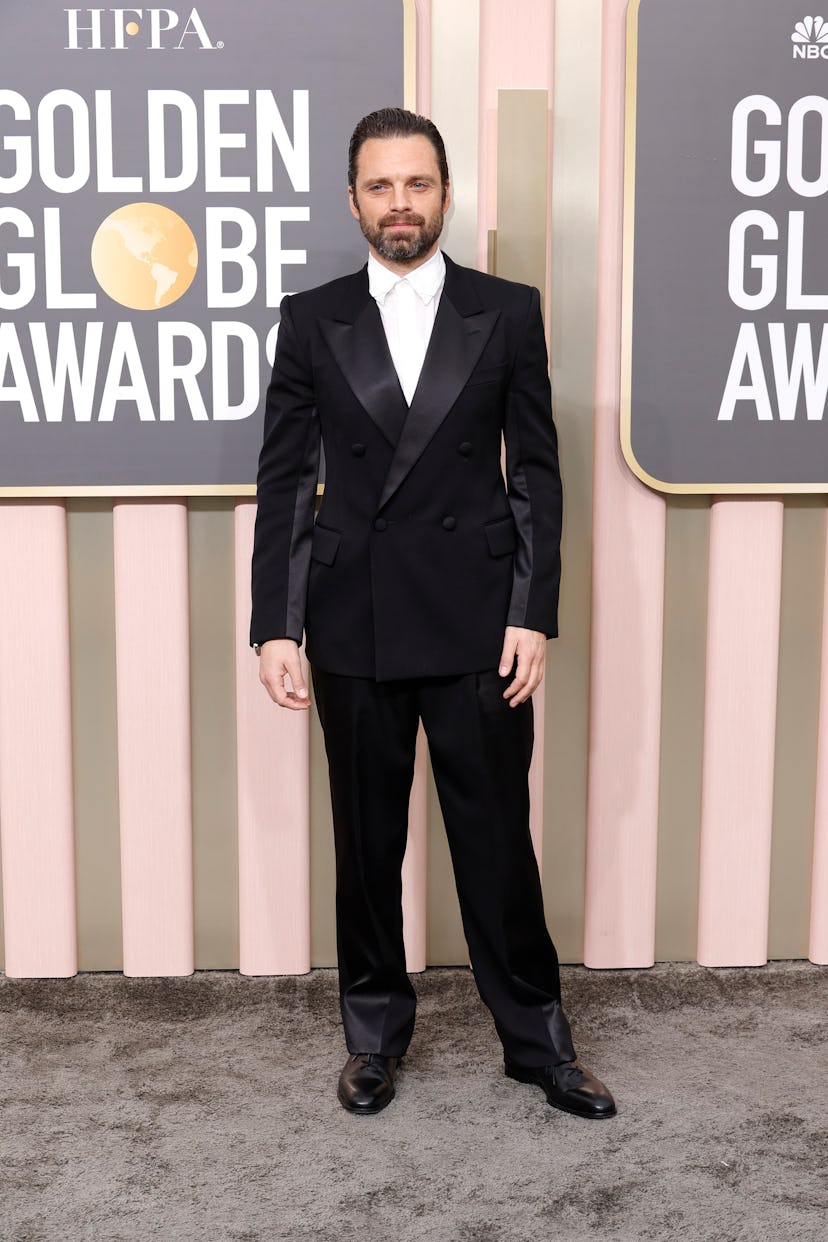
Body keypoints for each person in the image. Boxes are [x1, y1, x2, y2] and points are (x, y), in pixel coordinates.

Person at [250, 107, 615, 1121]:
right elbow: (284, 482)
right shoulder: (311, 317)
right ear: (353, 197)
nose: (399, 204)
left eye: (417, 184)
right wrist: (279, 626)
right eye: (380, 186)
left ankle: (538, 1041)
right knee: (366, 847)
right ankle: (373, 1038)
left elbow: (536, 473)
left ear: (444, 194)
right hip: (352, 617)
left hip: (477, 616)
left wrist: (531, 611)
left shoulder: (506, 309)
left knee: (497, 838)